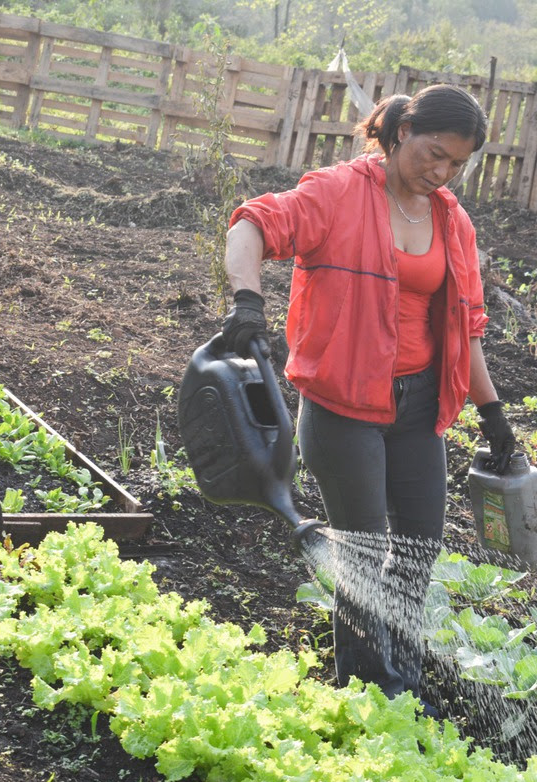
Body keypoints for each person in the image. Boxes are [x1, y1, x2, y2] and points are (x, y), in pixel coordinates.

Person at [218, 84, 516, 709]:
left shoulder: (450, 219)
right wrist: (246, 299)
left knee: (416, 555)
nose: (441, 171)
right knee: (363, 555)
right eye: (433, 153)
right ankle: (368, 692)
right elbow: (252, 223)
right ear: (403, 130)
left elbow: (468, 328)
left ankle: (401, 685)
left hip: (420, 408)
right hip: (343, 406)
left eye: (456, 164)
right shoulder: (337, 193)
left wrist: (493, 419)